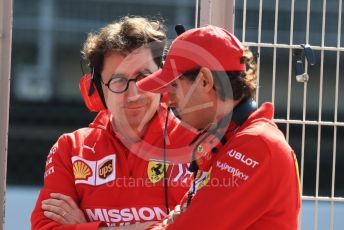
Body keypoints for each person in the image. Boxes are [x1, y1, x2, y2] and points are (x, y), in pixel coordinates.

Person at [31, 16, 197, 229]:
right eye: (118, 81)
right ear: (98, 90)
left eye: (143, 77)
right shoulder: (71, 149)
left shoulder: (199, 145)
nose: (134, 94)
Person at [137, 25, 301, 229]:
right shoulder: (231, 138)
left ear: (205, 81)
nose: (167, 100)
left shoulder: (256, 145)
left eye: (174, 87)